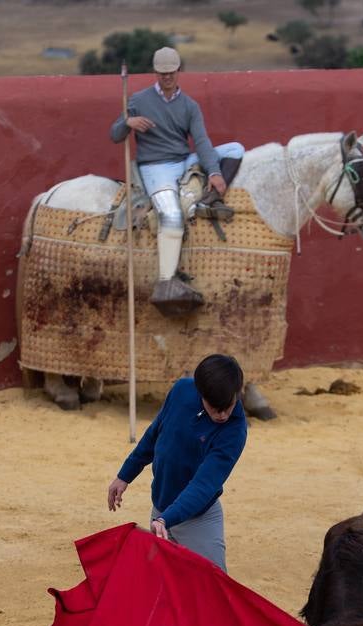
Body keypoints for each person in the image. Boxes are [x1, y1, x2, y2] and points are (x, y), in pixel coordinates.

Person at [110, 46, 245, 316]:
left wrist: (215, 172)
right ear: (155, 72)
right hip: (154, 166)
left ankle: (212, 196)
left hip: (183, 160)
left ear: (178, 71)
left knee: (236, 149)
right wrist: (129, 122)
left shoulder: (190, 106)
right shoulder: (138, 99)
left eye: (171, 72)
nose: (167, 77)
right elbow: (114, 134)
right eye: (162, 73)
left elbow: (203, 141)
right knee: (171, 215)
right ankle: (165, 282)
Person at [107, 354, 247, 572]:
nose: (222, 415)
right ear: (201, 394)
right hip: (160, 512)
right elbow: (155, 434)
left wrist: (165, 519)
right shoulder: (182, 390)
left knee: (213, 590)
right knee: (161, 591)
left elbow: (204, 485)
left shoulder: (235, 431)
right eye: (214, 407)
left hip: (198, 521)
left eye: (227, 406)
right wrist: (125, 474)